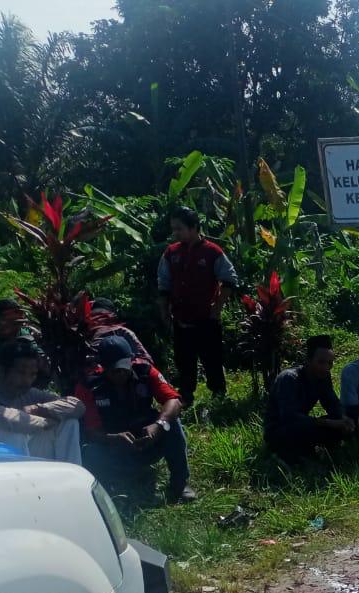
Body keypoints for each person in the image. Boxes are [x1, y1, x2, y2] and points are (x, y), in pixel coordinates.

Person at [76, 335, 195, 503]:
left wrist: (158, 426)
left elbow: (173, 401)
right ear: (102, 366)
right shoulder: (89, 386)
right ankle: (107, 492)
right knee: (89, 452)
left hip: (146, 440)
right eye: (113, 370)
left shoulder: (145, 371)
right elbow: (91, 431)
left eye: (123, 367)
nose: (120, 374)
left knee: (172, 423)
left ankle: (179, 484)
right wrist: (113, 439)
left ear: (131, 360)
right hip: (114, 448)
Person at [158, 206, 238, 407]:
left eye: (179, 229)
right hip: (181, 319)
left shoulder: (212, 252)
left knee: (212, 360)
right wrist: (164, 310)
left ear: (194, 227)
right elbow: (163, 284)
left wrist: (217, 307)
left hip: (206, 320)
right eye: (174, 229)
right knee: (184, 363)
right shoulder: (171, 253)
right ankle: (186, 397)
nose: (176, 233)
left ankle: (219, 396)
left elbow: (229, 279)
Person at [0, 340, 84, 463]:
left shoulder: (29, 393)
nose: (27, 380)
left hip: (19, 457)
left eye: (32, 374)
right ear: (1, 371)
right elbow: (8, 419)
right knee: (9, 430)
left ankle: (71, 479)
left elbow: (76, 405)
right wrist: (46, 421)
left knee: (68, 422)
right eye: (21, 373)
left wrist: (38, 409)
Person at [264, 334, 355, 462]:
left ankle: (310, 450)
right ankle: (288, 454)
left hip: (305, 425)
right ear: (308, 360)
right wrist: (328, 423)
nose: (326, 367)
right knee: (307, 430)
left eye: (330, 363)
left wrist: (343, 418)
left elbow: (331, 402)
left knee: (348, 420)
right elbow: (289, 417)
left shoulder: (323, 377)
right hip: (281, 429)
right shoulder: (289, 378)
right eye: (321, 362)